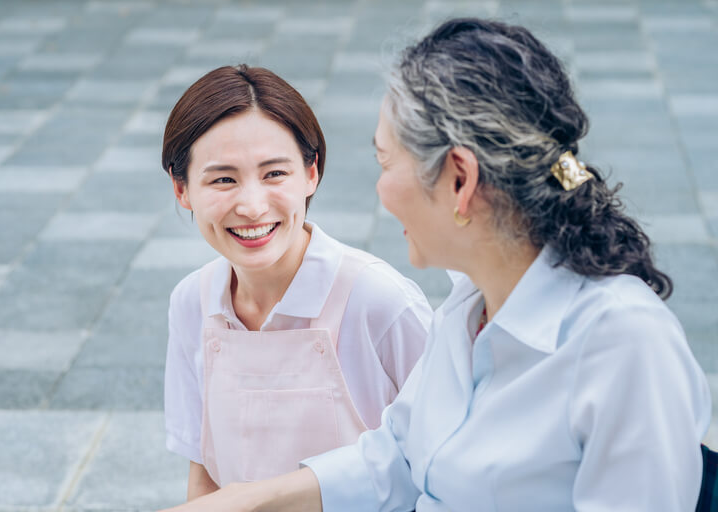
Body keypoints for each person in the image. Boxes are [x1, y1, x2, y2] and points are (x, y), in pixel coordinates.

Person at [159, 18, 712, 512]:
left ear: (459, 179)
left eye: (385, 161)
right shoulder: (467, 310)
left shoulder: (624, 345)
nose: (380, 192)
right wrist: (244, 502)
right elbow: (397, 457)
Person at [160, 65, 432, 499]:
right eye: (223, 179)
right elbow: (205, 476)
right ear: (182, 189)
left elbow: (449, 461)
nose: (251, 206)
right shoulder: (191, 302)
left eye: (274, 174)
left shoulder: (381, 300)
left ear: (311, 173)